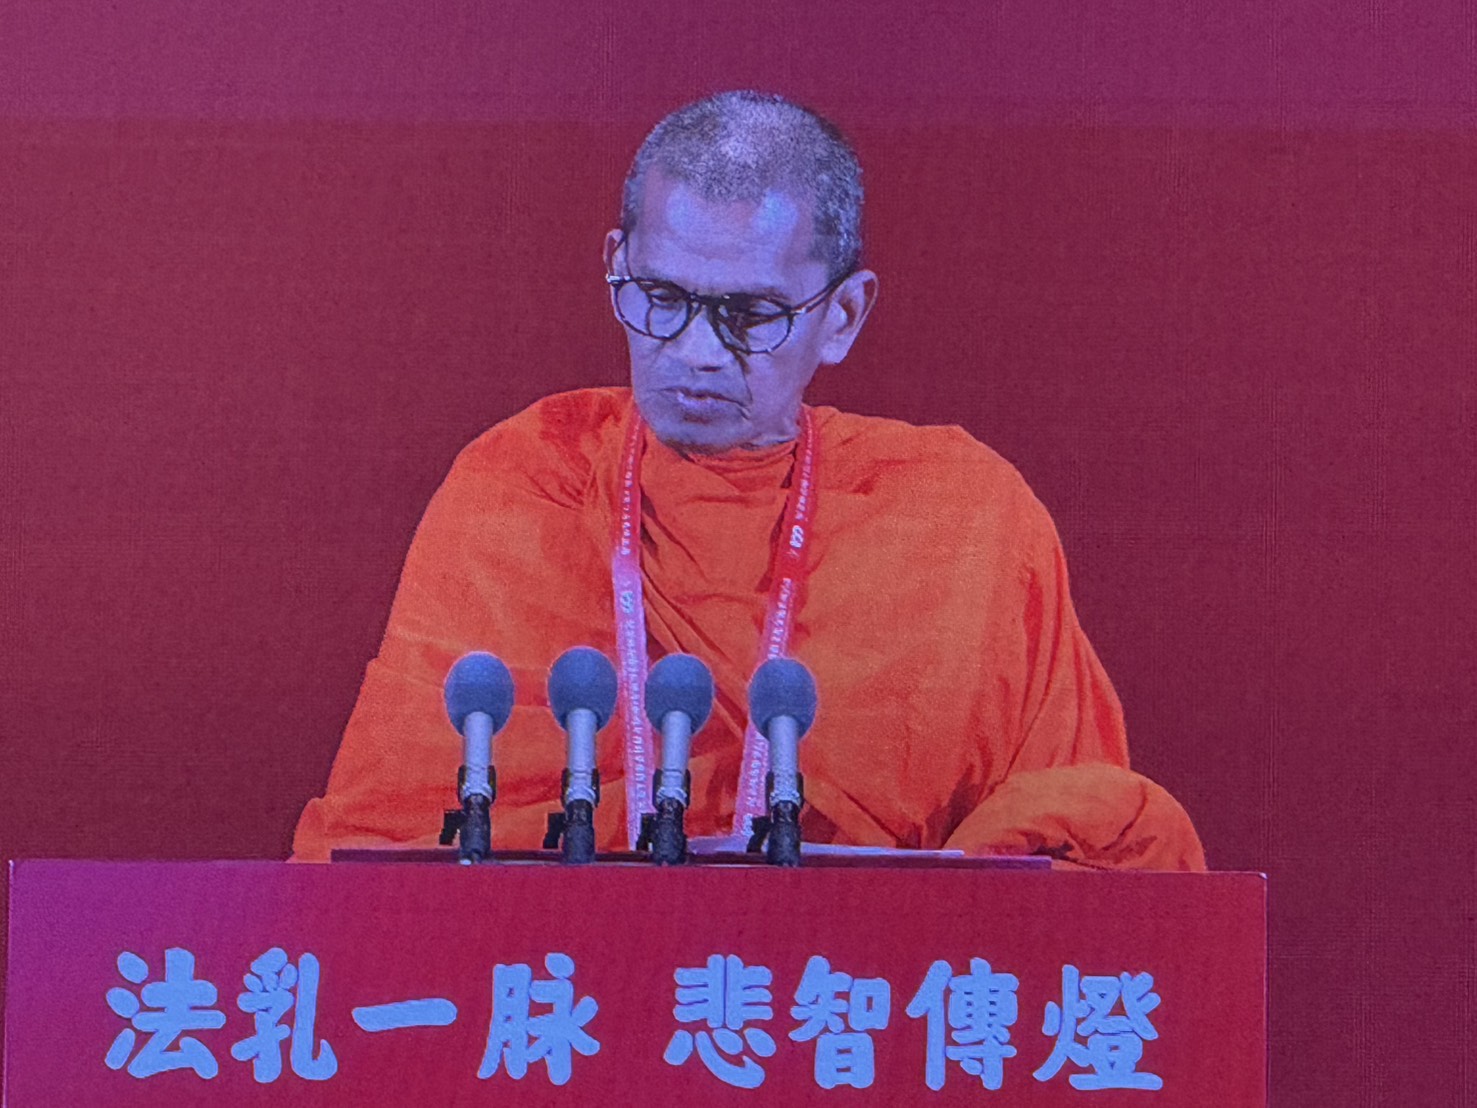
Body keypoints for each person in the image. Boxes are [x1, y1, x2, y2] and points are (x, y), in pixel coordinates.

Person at [292, 90, 1205, 869]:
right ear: (616, 266)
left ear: (842, 315)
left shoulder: (958, 519)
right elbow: (384, 847)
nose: (695, 351)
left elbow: (1070, 849)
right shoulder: (525, 479)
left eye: (749, 314)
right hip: (559, 986)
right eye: (661, 298)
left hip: (856, 995)